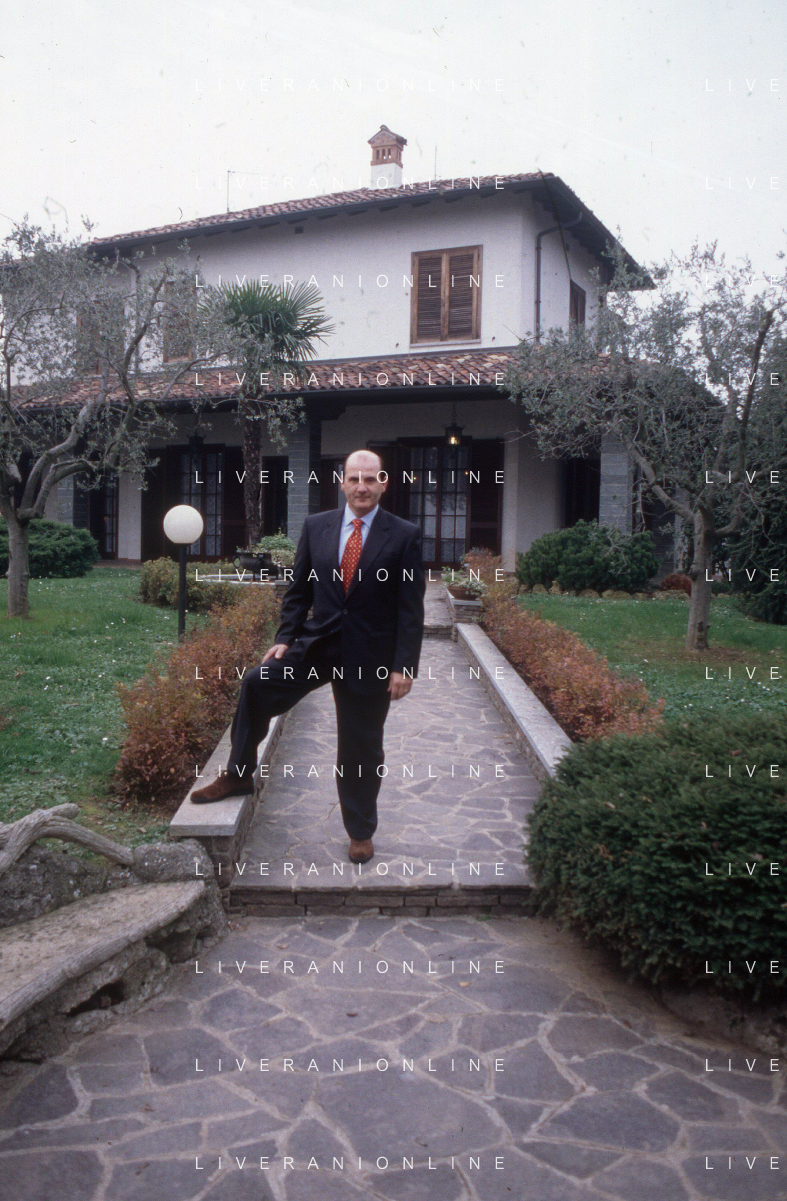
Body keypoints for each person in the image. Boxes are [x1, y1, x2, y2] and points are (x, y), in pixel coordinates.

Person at [190, 449, 426, 864]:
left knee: (361, 747)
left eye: (370, 479)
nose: (362, 487)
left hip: (370, 655)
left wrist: (403, 665)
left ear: (383, 484)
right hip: (319, 644)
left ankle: (360, 831)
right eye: (354, 478)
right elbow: (298, 590)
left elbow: (411, 608)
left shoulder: (404, 535)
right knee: (257, 684)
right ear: (342, 483)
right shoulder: (317, 526)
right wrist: (285, 637)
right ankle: (239, 774)